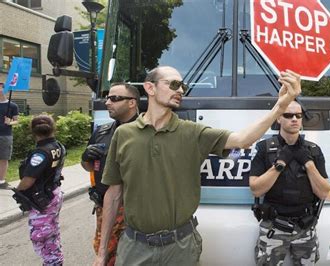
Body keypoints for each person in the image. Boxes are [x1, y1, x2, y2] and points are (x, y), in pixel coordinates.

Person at [93, 66, 301, 266]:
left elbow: (242, 139)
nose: (181, 90)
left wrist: (281, 106)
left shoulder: (193, 133)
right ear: (150, 88)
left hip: (180, 249)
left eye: (182, 85)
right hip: (134, 249)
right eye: (173, 84)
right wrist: (102, 253)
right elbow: (113, 193)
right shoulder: (123, 134)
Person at [249, 101, 330, 265]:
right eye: (288, 115)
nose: (294, 119)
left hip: (305, 228)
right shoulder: (264, 148)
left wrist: (308, 164)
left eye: (298, 115)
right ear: (278, 118)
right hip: (273, 227)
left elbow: (323, 192)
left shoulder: (313, 151)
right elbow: (256, 190)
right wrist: (280, 164)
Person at [81, 83, 139, 265]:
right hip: (106, 207)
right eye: (107, 97)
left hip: (136, 210)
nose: (107, 102)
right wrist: (85, 158)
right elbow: (89, 167)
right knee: (105, 257)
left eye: (114, 98)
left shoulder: (148, 132)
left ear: (132, 103)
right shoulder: (102, 132)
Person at [13, 114, 66, 265]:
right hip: (53, 194)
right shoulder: (58, 146)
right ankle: (55, 259)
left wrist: (18, 191)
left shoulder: (40, 153)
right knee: (51, 231)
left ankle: (53, 262)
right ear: (53, 128)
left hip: (43, 199)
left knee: (41, 235)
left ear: (33, 131)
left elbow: (28, 180)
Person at [0, 82, 19, 189]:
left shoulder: (12, 105)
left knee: (4, 158)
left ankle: (1, 181)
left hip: (5, 135)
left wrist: (10, 122)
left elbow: (16, 121)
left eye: (0, 88)